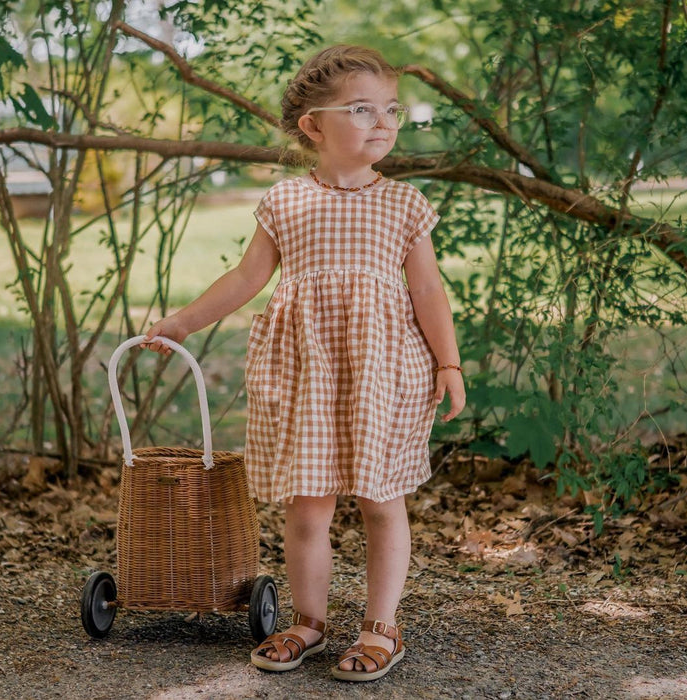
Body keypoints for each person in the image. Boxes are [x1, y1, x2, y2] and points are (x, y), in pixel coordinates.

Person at [142, 44, 466, 682]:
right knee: (308, 505)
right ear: (313, 126)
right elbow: (244, 279)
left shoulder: (403, 205)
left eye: (391, 110)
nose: (384, 122)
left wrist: (449, 365)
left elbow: (429, 291)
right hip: (307, 374)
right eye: (362, 109)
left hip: (384, 374)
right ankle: (308, 621)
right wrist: (180, 321)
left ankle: (381, 626)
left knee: (381, 499)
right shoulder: (286, 203)